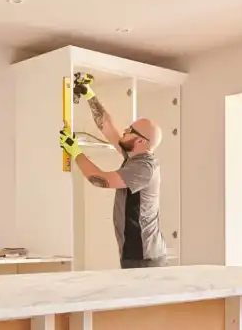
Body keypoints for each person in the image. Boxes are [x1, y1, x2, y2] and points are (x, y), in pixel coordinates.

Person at [57, 78, 167, 269]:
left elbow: (101, 180)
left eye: (131, 130)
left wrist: (75, 151)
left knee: (139, 299)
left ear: (141, 142)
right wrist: (89, 94)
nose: (126, 130)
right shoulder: (134, 155)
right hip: (137, 252)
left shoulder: (144, 167)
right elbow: (107, 127)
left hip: (144, 256)